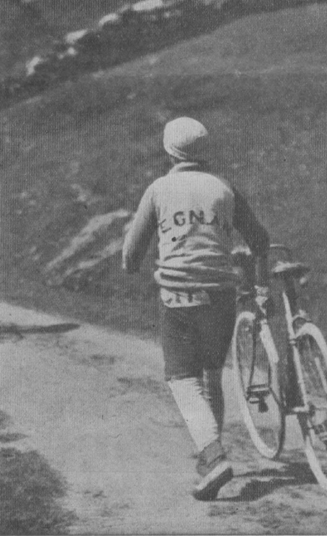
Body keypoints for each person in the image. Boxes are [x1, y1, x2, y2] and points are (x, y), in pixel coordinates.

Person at [122, 117, 270, 501]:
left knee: (181, 378)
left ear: (169, 151)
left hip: (178, 295)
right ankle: (208, 461)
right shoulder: (224, 187)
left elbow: (130, 257)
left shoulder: (159, 189)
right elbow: (259, 238)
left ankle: (214, 455)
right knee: (209, 376)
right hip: (221, 294)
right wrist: (260, 281)